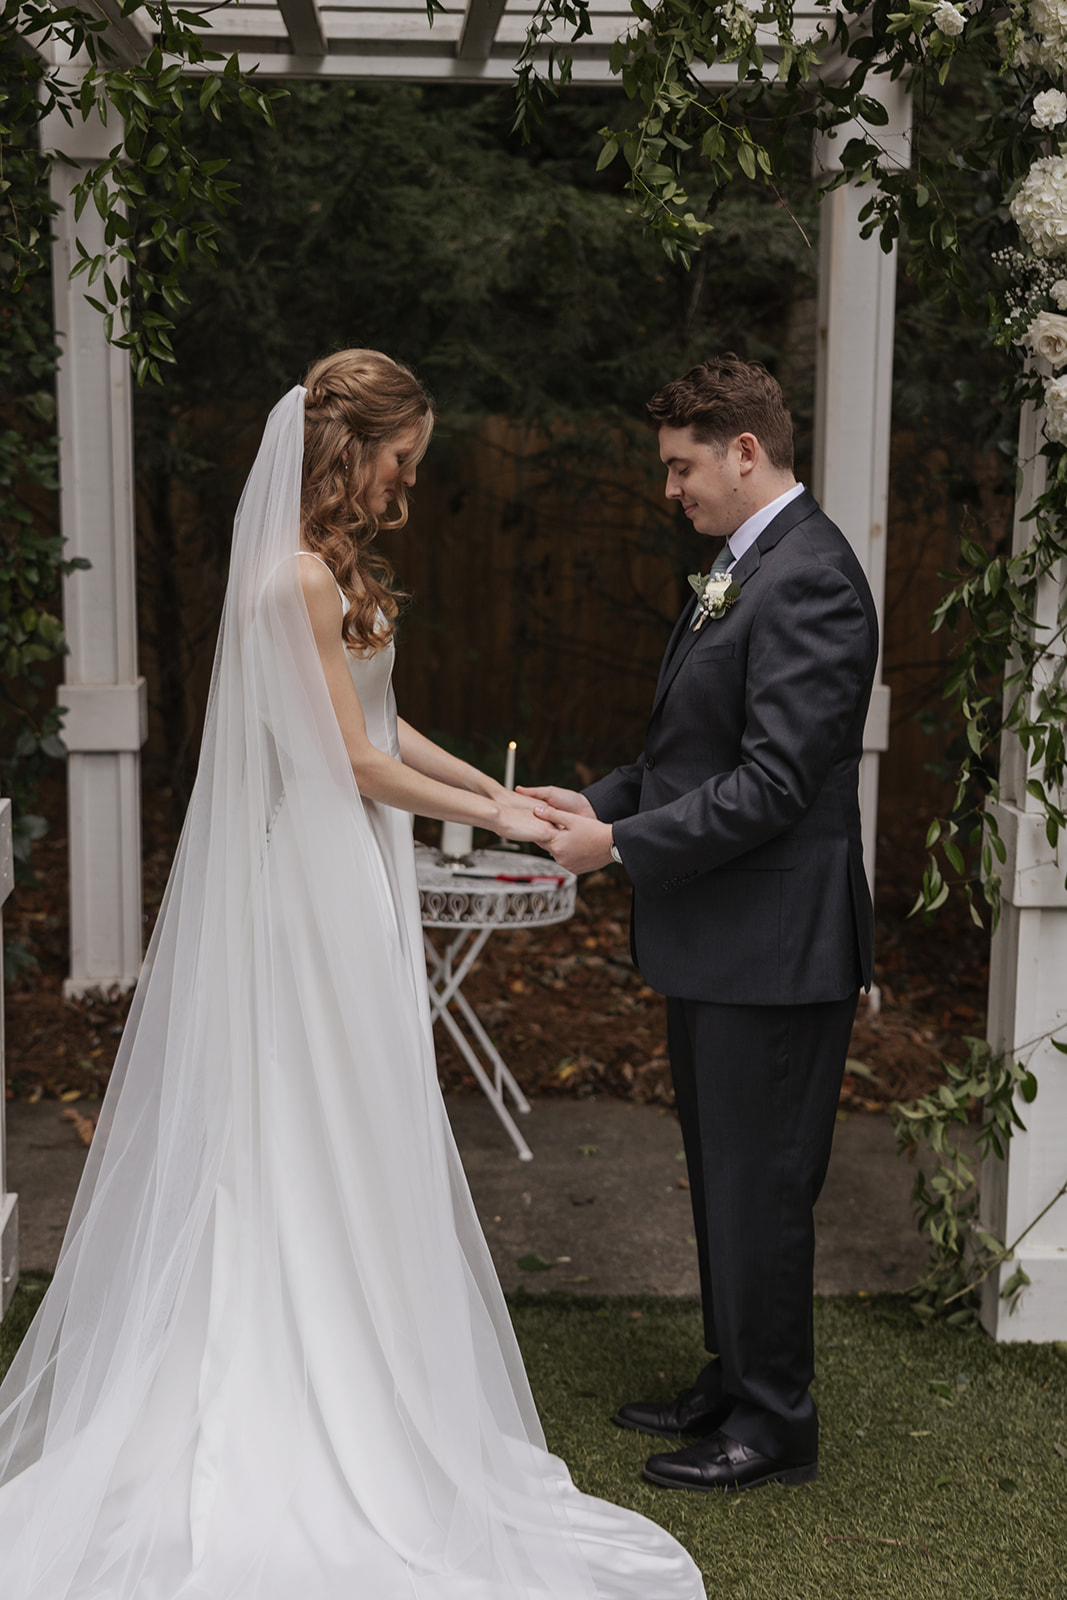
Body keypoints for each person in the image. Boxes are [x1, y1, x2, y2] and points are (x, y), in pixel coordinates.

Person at [0, 350, 706, 1598]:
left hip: (356, 862)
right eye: (402, 462)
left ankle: (370, 1355)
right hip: (311, 875)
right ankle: (291, 1362)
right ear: (351, 450)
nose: (407, 484)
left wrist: (501, 788)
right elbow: (354, 763)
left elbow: (388, 722)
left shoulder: (338, 572)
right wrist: (488, 824)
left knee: (367, 1107)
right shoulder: (289, 582)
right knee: (309, 1107)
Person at [523, 354, 878, 1494]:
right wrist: (604, 799)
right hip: (722, 941)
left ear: (743, 451)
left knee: (762, 1183)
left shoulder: (809, 577)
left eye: (681, 466)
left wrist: (618, 849)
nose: (668, 488)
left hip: (773, 948)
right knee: (724, 1172)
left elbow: (772, 783)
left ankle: (774, 1424)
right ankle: (731, 1377)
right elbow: (695, 753)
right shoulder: (744, 566)